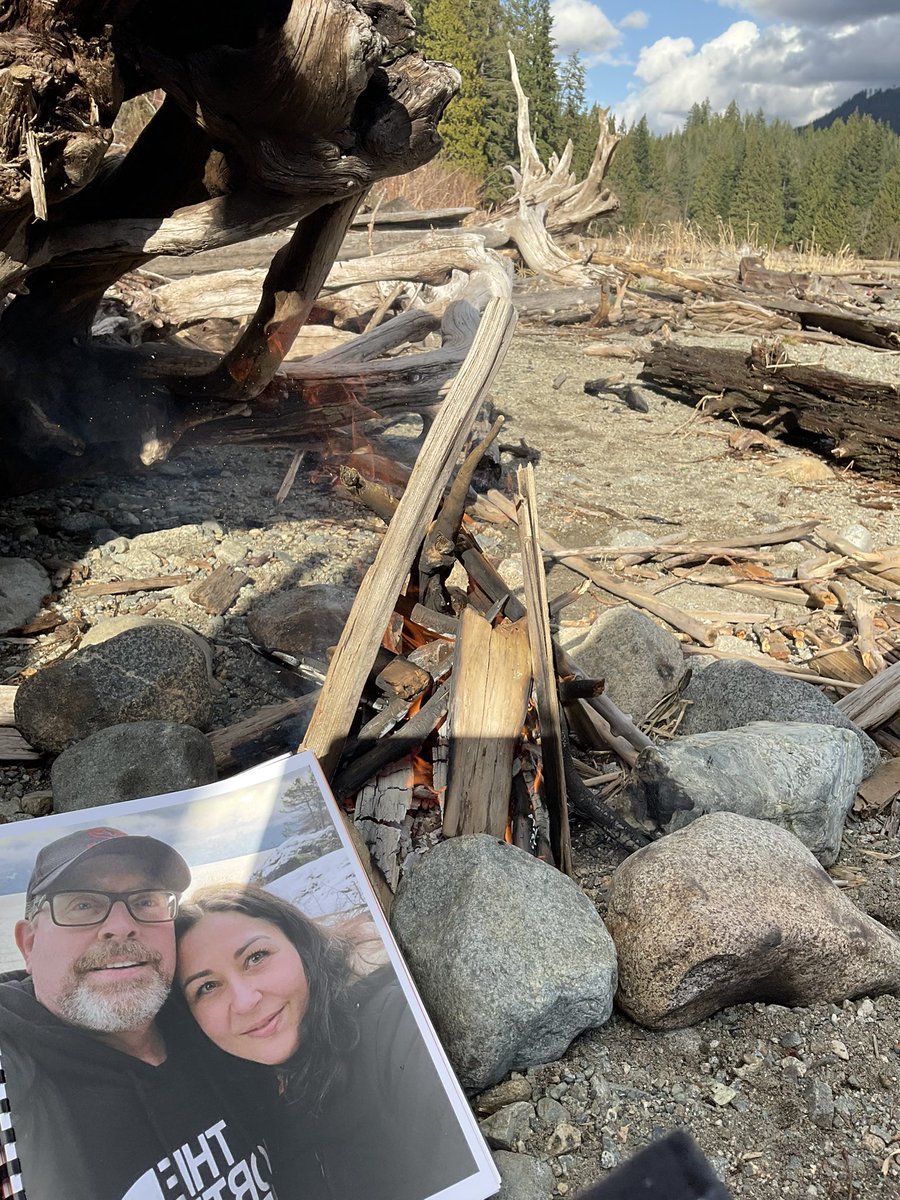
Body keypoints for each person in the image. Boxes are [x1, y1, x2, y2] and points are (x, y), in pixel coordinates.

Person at [0, 827, 278, 1200]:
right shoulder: (14, 1081)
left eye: (146, 901)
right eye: (83, 904)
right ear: (29, 944)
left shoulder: (213, 1018)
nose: (121, 927)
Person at [175, 884, 480, 1200]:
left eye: (256, 957)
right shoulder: (238, 1102)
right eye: (208, 986)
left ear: (299, 944)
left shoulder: (392, 1025)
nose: (244, 1001)